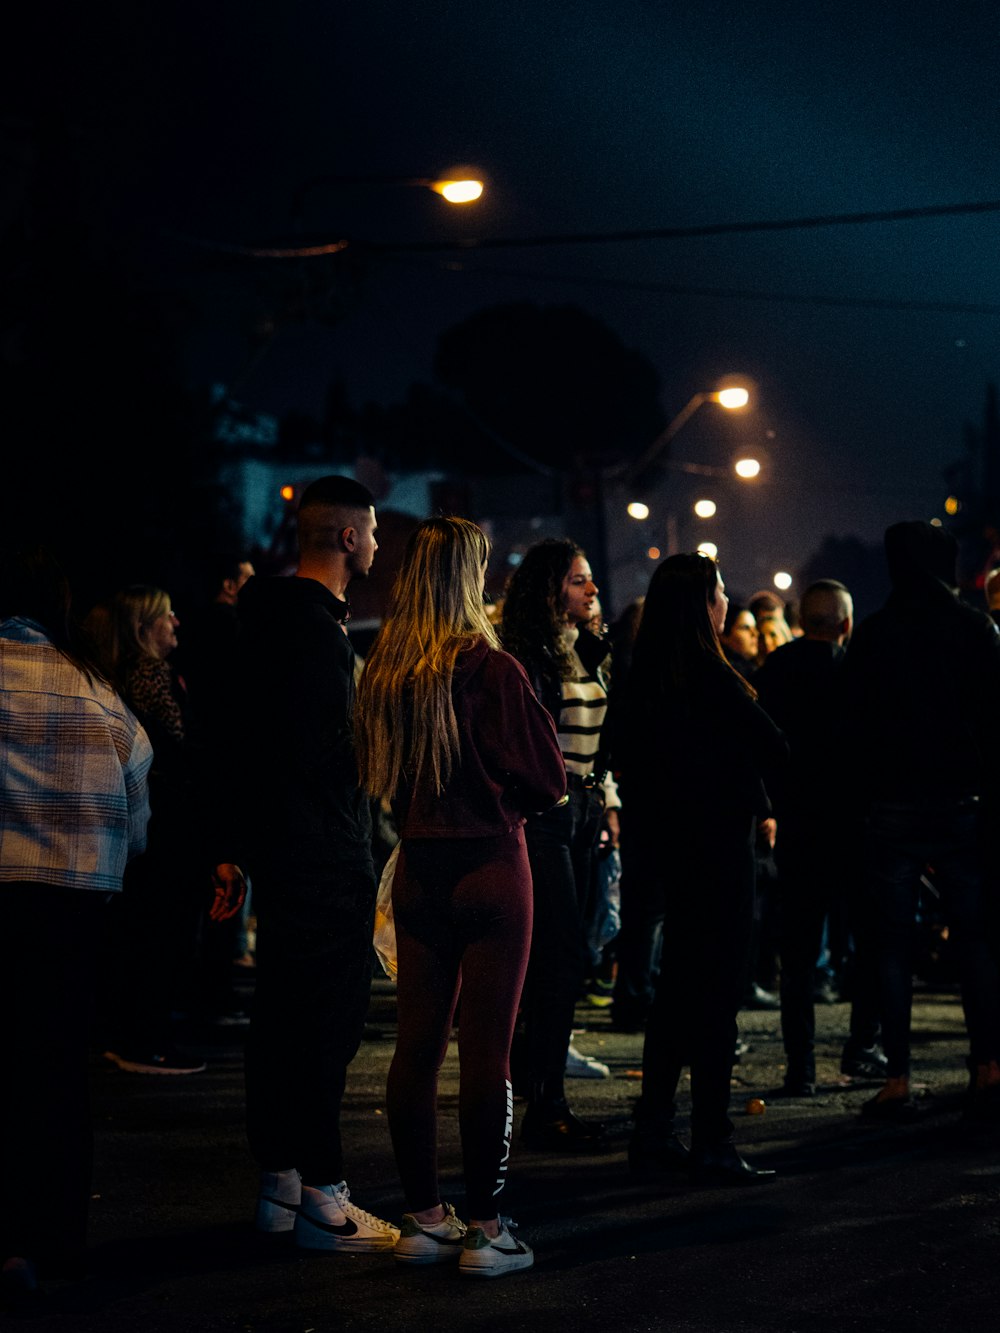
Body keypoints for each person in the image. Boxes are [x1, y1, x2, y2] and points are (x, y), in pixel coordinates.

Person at [355, 516, 566, 1277]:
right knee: (487, 1051)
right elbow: (549, 777)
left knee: (415, 1047)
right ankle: (485, 1225)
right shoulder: (493, 668)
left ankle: (423, 1217)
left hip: (417, 870)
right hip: (490, 867)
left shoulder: (387, 670)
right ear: (468, 576)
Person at [227, 474, 399, 1251]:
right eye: (371, 531)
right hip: (326, 850)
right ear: (348, 537)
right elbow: (325, 749)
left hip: (286, 847)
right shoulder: (312, 634)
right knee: (326, 1023)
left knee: (284, 1018)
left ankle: (282, 1184)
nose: (377, 544)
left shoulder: (266, 624)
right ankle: (326, 1198)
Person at [0, 542, 153, 1304]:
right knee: (57, 1074)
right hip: (72, 905)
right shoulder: (95, 691)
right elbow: (140, 793)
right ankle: (58, 1239)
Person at [613, 552, 788, 1184]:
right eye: (718, 594)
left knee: (675, 994)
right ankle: (713, 1137)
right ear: (702, 606)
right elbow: (776, 745)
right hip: (719, 853)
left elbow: (623, 759)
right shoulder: (716, 680)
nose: (726, 605)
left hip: (667, 851)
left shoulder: (641, 680)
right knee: (717, 997)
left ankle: (653, 1130)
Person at [840, 521, 1000, 1121]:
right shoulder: (974, 629)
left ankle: (898, 1078)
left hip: (891, 808)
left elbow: (851, 732)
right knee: (975, 940)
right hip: (964, 805)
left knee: (890, 945)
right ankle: (987, 1067)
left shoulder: (876, 634)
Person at [85, 585, 246, 1075]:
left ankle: (139, 1034)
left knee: (153, 936)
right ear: (142, 630)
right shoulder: (149, 680)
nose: (176, 620)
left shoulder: (134, 679)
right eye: (165, 615)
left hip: (158, 835)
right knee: (160, 936)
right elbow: (178, 758)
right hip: (165, 836)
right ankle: (144, 1040)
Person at [499, 537, 621, 1151]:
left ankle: (539, 1100)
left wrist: (609, 800)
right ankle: (539, 1103)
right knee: (559, 957)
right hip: (544, 816)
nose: (592, 591)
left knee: (562, 959)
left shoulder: (583, 649)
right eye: (579, 581)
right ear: (551, 590)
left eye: (592, 580)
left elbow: (598, 740)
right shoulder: (526, 653)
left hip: (580, 814)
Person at [754, 579, 884, 1096]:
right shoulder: (861, 670)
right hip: (857, 827)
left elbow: (763, 748)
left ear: (803, 619)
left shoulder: (776, 670)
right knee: (869, 945)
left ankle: (800, 1067)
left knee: (800, 956)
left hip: (799, 827)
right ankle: (862, 1048)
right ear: (846, 624)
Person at [173, 553, 257, 1024]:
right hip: (225, 769)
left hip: (206, 768)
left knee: (213, 884)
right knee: (227, 880)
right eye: (246, 579)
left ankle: (207, 990)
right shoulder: (229, 629)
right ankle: (214, 993)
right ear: (228, 584)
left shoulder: (200, 633)